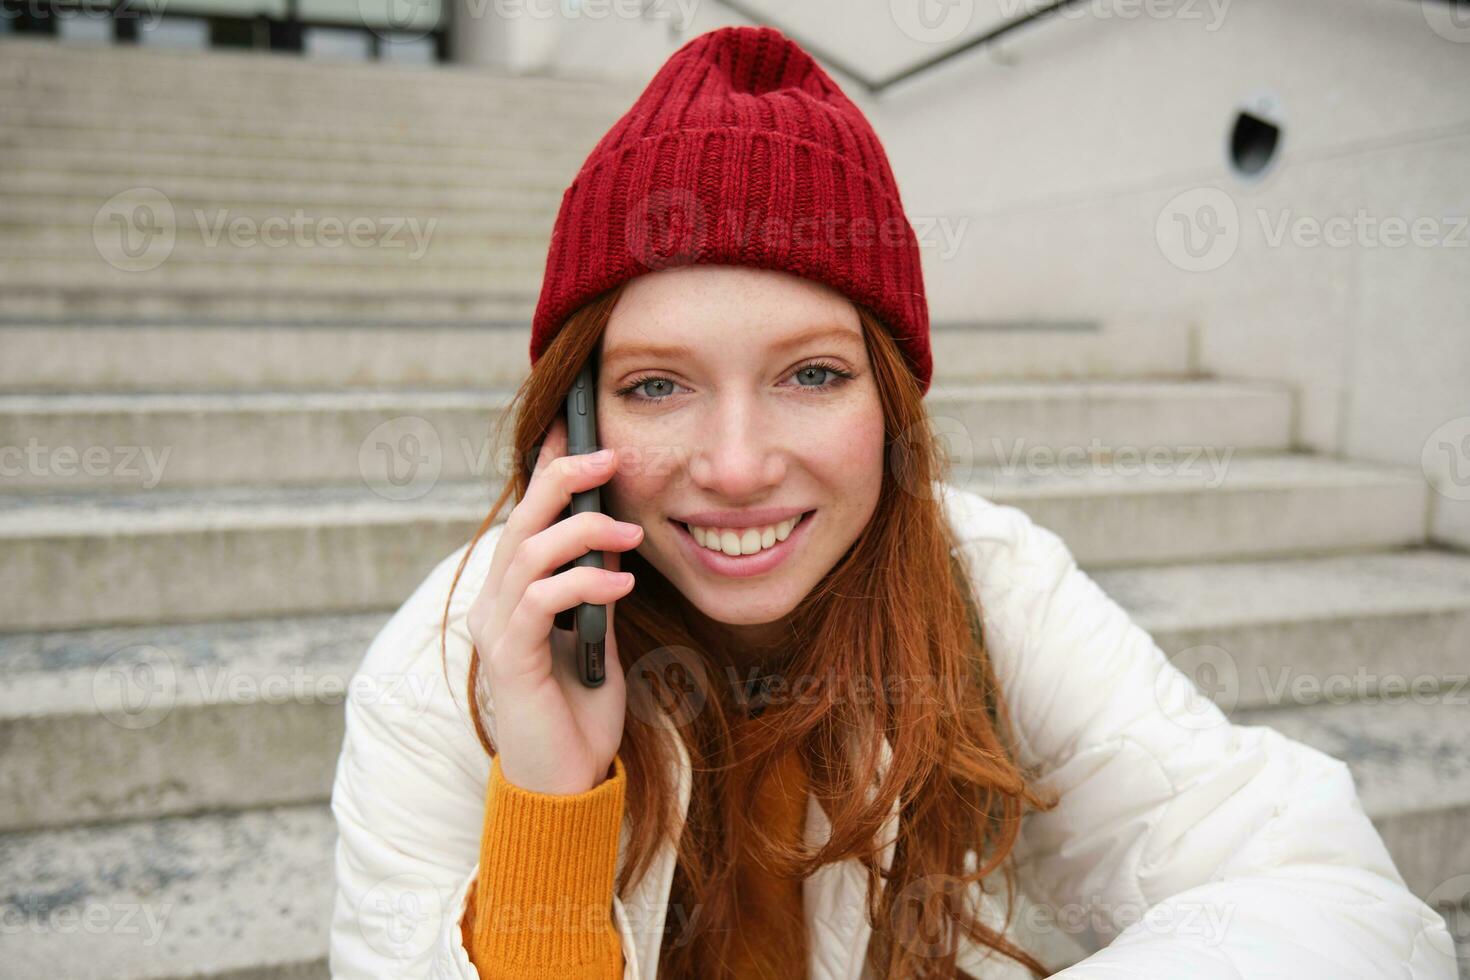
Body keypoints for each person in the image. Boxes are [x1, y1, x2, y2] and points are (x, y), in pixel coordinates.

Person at [327, 24, 1458, 980]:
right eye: (656, 384)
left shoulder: (989, 582)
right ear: (572, 421)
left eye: (811, 373)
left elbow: (1319, 890)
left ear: (893, 406)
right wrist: (549, 797)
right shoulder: (442, 677)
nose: (734, 464)